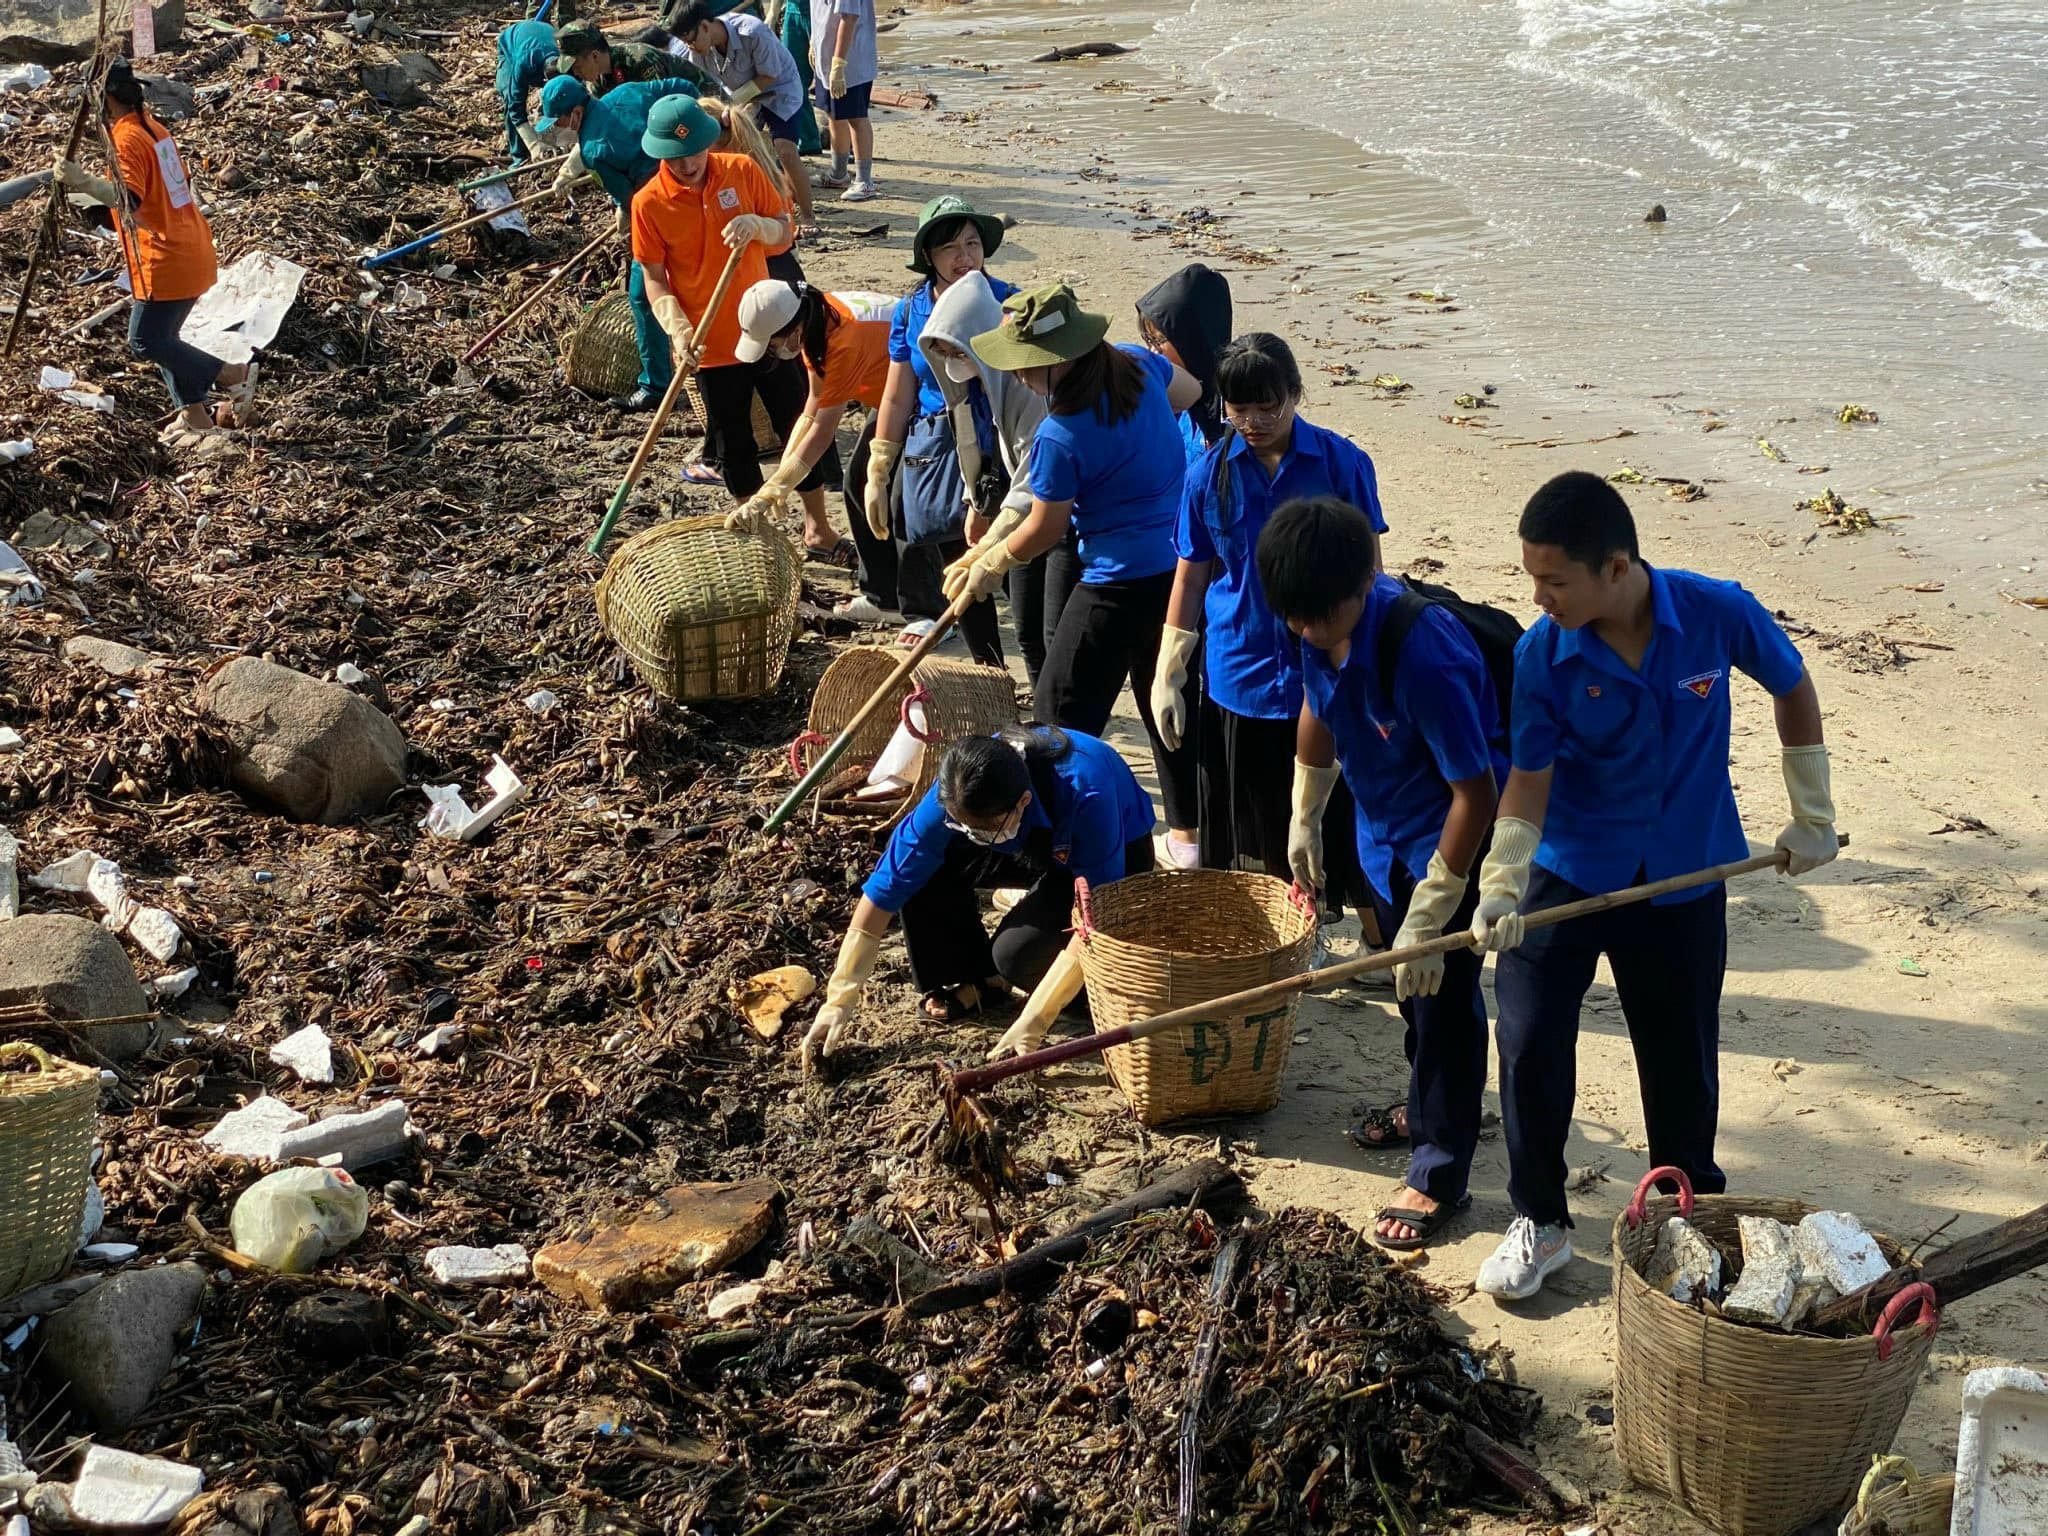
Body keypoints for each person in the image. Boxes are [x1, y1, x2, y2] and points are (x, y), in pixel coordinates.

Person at [1466, 471, 1837, 1300]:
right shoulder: (1541, 653)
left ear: (1618, 568)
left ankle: (1683, 1214)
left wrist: (1812, 809)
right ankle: (1540, 1220)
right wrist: (1501, 883)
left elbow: (1791, 683)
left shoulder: (1715, 611)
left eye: (1554, 580)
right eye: (1533, 578)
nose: (1540, 596)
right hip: (1567, 871)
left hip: (1684, 871)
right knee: (1526, 1042)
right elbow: (1528, 779)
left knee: (1680, 1059)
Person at [1256, 497, 1504, 1251]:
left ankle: (1438, 1170)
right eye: (1293, 618)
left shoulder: (1425, 653)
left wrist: (1437, 908)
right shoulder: (1310, 617)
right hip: (1379, 832)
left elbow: (1478, 791)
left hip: (1445, 845)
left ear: (1365, 582)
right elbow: (1319, 700)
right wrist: (1307, 806)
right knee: (1409, 994)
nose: (1306, 631)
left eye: (1319, 618)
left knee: (1446, 1006)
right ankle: (1423, 1103)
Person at [954, 286, 1203, 860]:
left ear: (1061, 358)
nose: (1019, 377)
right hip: (1180, 574)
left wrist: (992, 563)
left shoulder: (1060, 435)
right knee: (1166, 703)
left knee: (1055, 720)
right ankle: (1187, 842)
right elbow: (1188, 393)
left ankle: (1054, 848)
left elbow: (1044, 529)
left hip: (1115, 584)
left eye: (1027, 365)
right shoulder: (1140, 363)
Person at [1154, 333, 1382, 894]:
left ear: (1296, 394)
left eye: (1268, 406)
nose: (1254, 421)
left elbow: (1371, 572)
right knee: (1254, 827)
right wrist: (1170, 668)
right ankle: (1279, 935)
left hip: (1326, 670)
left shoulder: (1342, 463)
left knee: (1334, 820)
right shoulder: (1207, 475)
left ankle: (1354, 925)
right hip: (1242, 675)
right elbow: (1192, 572)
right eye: (1239, 409)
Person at [801, 725, 1156, 1072]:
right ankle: (976, 979)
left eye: (982, 827)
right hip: (1015, 841)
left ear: (1023, 802)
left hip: (1110, 852)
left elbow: (1092, 922)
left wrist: (1035, 1018)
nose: (973, 834)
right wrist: (840, 996)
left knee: (1016, 956)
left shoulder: (1085, 788)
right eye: (963, 825)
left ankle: (1088, 993)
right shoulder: (957, 790)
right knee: (923, 869)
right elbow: (885, 889)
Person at [52, 61, 254, 450]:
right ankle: (196, 418)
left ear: (105, 98)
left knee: (145, 340)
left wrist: (84, 182)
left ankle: (231, 374)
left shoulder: (128, 138)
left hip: (165, 257)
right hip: (189, 244)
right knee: (167, 339)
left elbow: (130, 197)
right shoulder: (154, 128)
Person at [631, 96, 807, 509]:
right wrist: (677, 329)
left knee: (797, 425)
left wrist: (760, 225)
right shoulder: (648, 203)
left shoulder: (741, 170)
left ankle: (818, 525)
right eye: (676, 158)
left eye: (694, 153)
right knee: (732, 441)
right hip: (709, 343)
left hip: (767, 326)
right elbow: (655, 280)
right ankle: (752, 520)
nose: (688, 165)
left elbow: (785, 232)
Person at [862, 198, 1016, 649]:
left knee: (1011, 561)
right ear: (928, 256)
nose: (964, 257)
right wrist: (879, 465)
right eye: (949, 247)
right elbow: (897, 392)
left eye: (972, 243)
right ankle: (990, 670)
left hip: (999, 442)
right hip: (942, 447)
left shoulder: (1007, 301)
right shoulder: (910, 311)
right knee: (958, 561)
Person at [917, 271, 1052, 685]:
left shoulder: (1027, 385)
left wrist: (990, 552)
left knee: (1037, 630)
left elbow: (1033, 477)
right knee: (1029, 627)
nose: (951, 362)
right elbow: (970, 448)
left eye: (956, 352)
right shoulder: (968, 389)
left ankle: (1053, 722)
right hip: (1017, 502)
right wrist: (976, 506)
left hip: (1055, 512)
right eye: (942, 354)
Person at [534, 74, 698, 413]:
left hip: (662, 208)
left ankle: (655, 384)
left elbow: (630, 201)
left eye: (560, 120)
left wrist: (624, 221)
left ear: (576, 113)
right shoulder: (625, 92)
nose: (557, 128)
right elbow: (677, 87)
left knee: (642, 294)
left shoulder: (596, 150)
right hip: (695, 182)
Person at [724, 277, 897, 566]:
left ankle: (896, 586)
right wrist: (782, 475)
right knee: (858, 484)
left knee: (881, 490)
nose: (771, 351)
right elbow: (812, 409)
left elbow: (822, 431)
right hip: (890, 396)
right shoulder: (815, 317)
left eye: (771, 344)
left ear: (793, 331)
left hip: (923, 396)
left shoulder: (844, 342)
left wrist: (769, 493)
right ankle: (880, 583)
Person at [671, 2, 818, 239]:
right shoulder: (696, 52)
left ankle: (808, 216)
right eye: (685, 43)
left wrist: (741, 102)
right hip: (740, 97)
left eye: (692, 40)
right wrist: (733, 110)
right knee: (737, 150)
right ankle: (761, 207)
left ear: (706, 26)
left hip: (780, 89)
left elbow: (769, 76)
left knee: (785, 149)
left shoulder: (752, 31)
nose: (691, 47)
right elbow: (709, 90)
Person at [1136, 263, 1233, 466]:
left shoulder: (1234, 408)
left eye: (1160, 341)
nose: (1154, 353)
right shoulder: (1171, 399)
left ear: (1191, 341)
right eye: (1149, 343)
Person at [809, 0, 878, 202]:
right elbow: (818, 13)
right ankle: (838, 174)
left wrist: (839, 62)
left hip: (851, 61)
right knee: (833, 114)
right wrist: (813, 43)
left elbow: (849, 18)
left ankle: (865, 181)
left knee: (856, 117)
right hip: (825, 59)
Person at [553, 22, 711, 98]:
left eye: (578, 67)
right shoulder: (598, 82)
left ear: (594, 56)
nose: (576, 73)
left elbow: (664, 104)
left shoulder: (640, 59)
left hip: (708, 103)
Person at [495, 17, 560, 162]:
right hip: (510, 43)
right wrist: (533, 144)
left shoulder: (568, 62)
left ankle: (550, 139)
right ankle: (519, 156)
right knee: (508, 95)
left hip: (542, 31)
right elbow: (515, 107)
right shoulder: (524, 64)